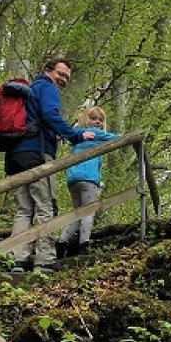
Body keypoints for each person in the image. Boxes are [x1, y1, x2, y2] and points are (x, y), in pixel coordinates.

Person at [5, 59, 93, 273]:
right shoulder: (47, 88)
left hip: (16, 156)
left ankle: (18, 260)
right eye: (60, 74)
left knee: (24, 210)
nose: (62, 80)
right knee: (45, 206)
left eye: (66, 77)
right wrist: (75, 135)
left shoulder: (28, 92)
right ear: (47, 71)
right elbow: (50, 114)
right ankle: (44, 260)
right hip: (38, 153)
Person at [57, 106, 118, 258]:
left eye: (100, 120)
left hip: (73, 179)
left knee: (78, 213)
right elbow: (116, 138)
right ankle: (84, 244)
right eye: (94, 118)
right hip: (89, 178)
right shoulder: (96, 134)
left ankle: (61, 242)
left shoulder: (77, 135)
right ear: (86, 120)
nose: (97, 122)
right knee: (88, 212)